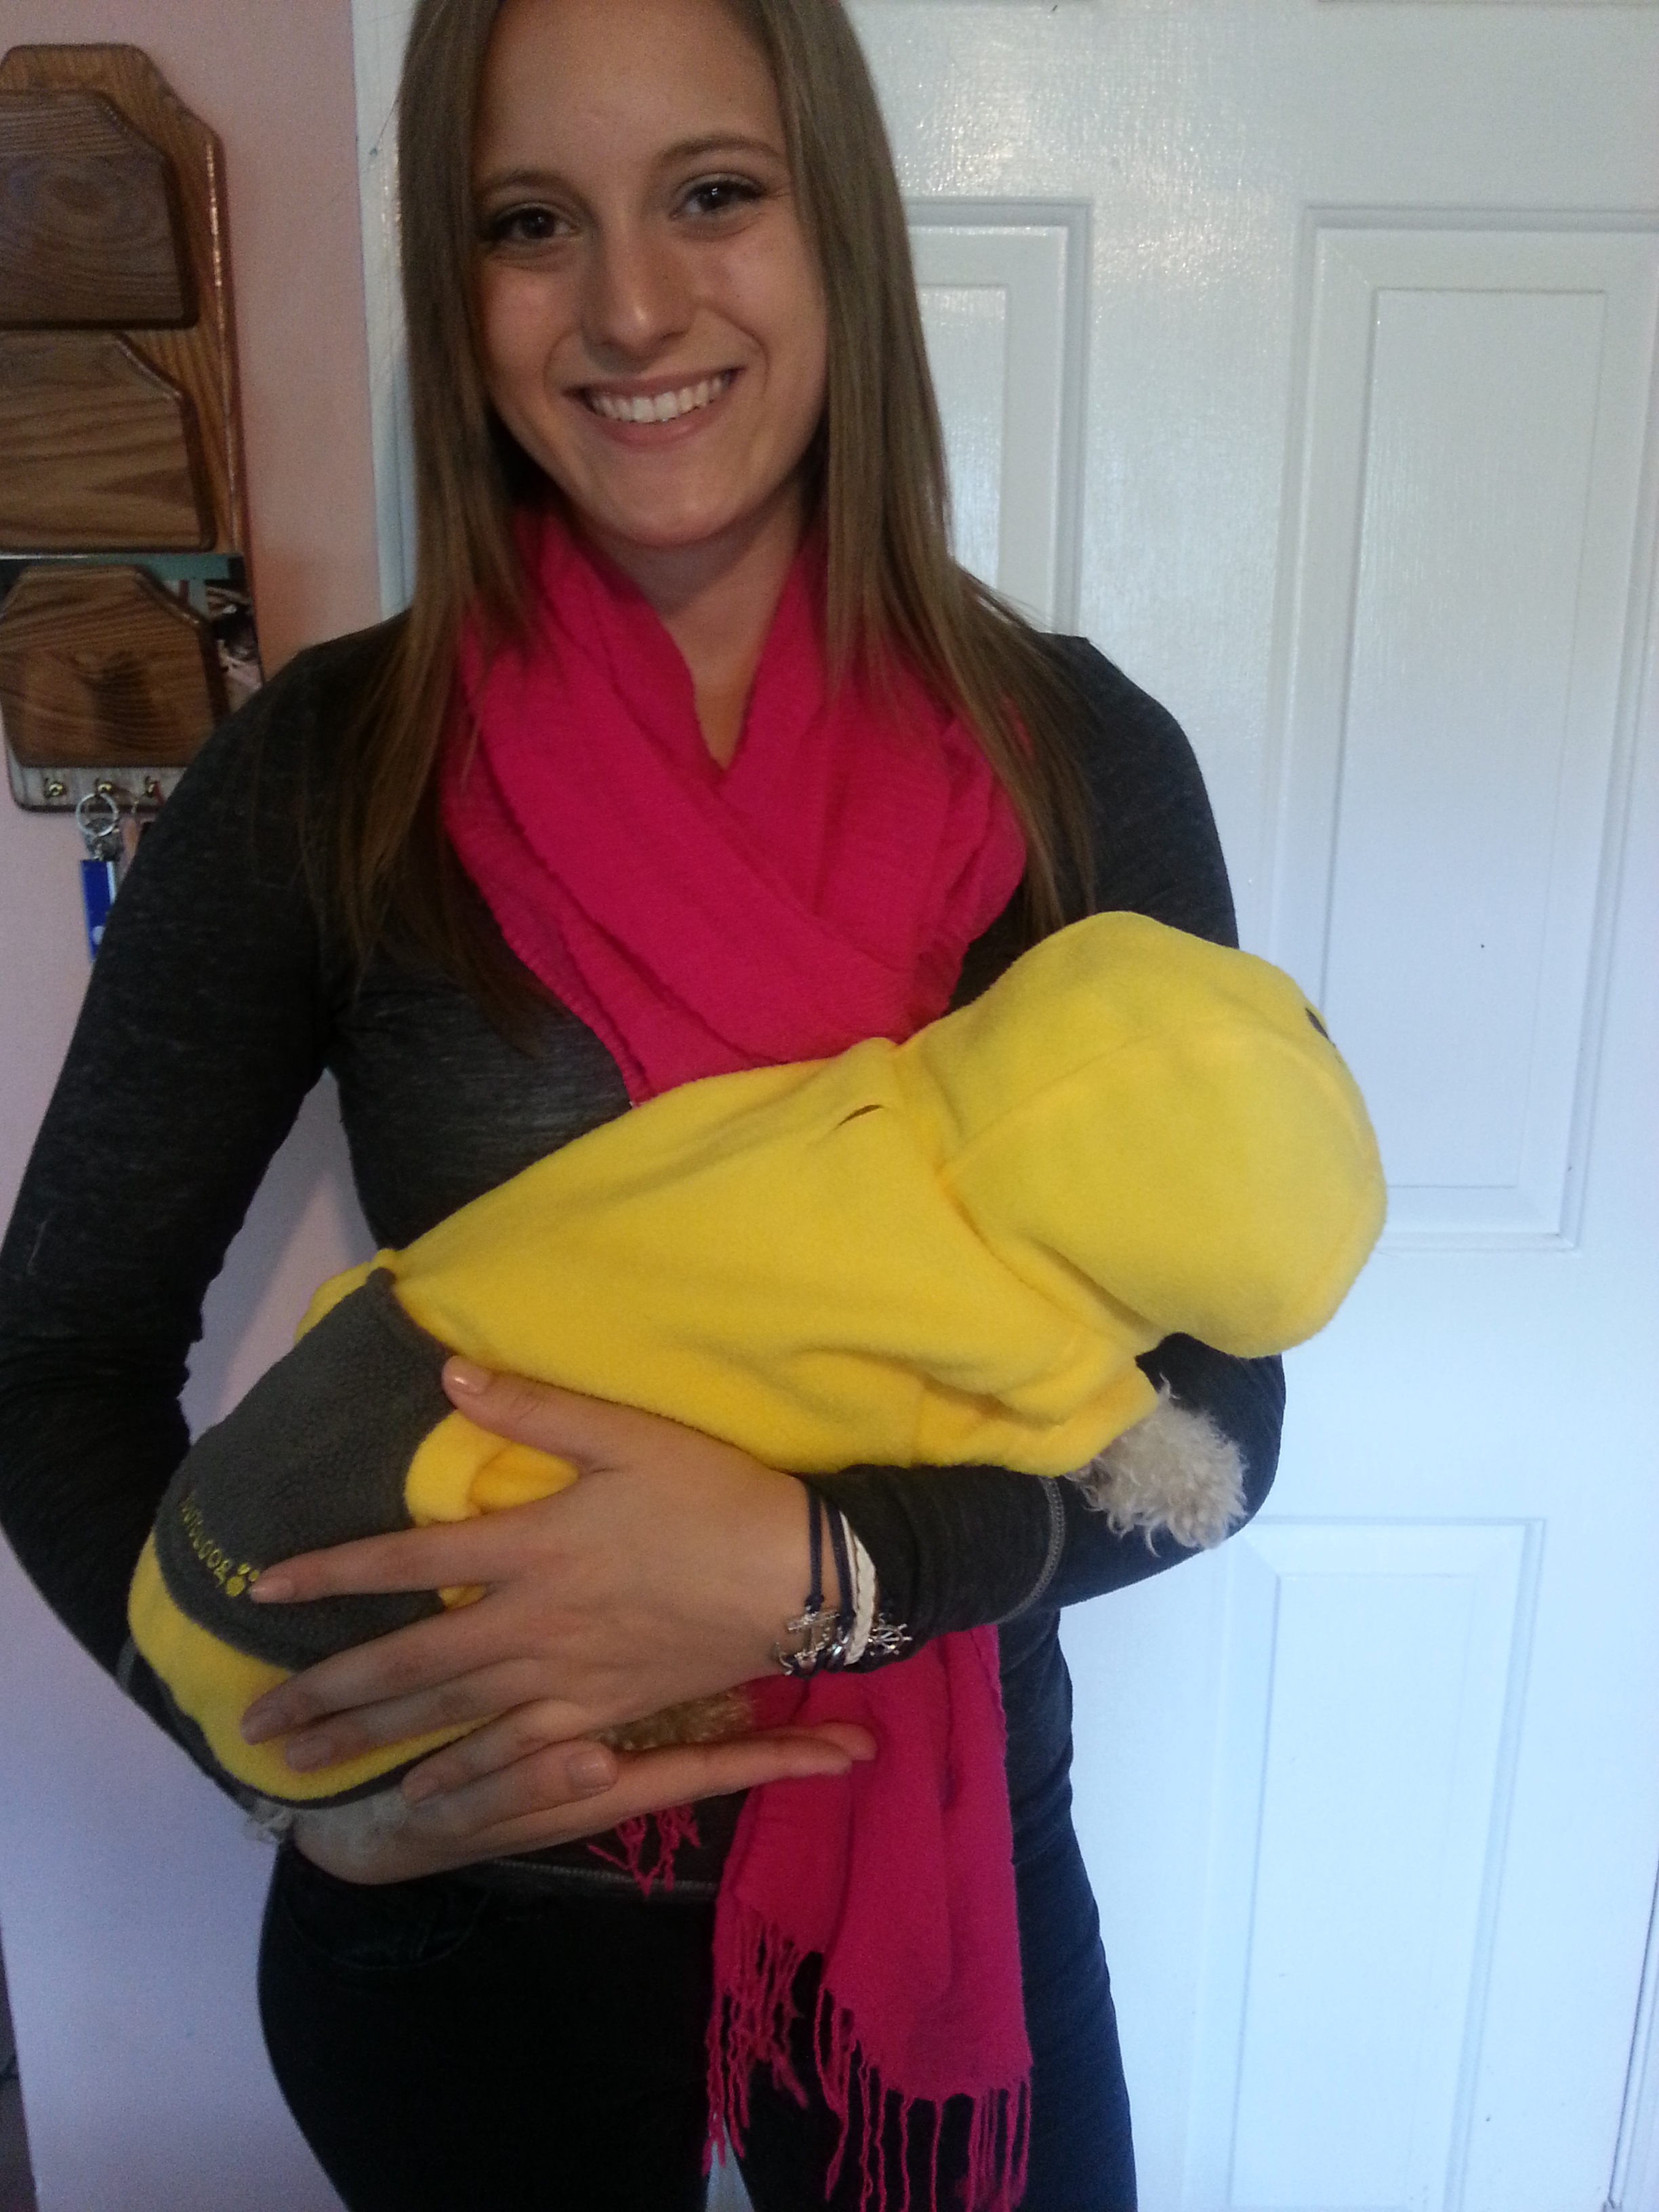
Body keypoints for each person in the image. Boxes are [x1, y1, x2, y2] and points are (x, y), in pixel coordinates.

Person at [0, 1, 1288, 2206]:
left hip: (944, 1918)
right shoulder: (335, 773)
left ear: (836, 225)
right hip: (474, 1939)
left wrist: (823, 1570)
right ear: (459, 280)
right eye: (531, 221)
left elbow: (1222, 1417)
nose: (627, 307)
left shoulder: (1077, 768)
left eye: (713, 192)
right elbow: (57, 1356)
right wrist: (281, 1768)